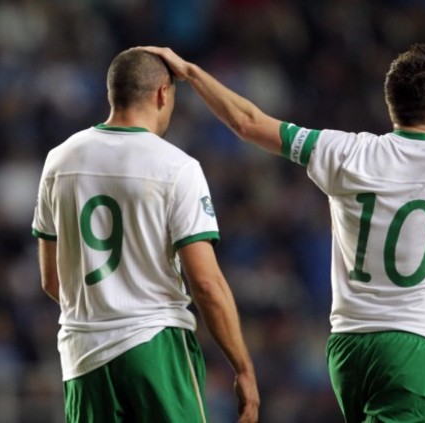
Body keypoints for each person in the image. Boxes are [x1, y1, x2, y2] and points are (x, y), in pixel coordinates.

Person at [140, 44, 425, 422]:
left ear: (391, 105)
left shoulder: (343, 151)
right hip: (417, 346)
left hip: (348, 347)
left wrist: (193, 72)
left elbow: (247, 122)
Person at [31, 48, 259, 423]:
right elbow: (205, 283)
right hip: (155, 347)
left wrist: (104, 308)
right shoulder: (176, 167)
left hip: (82, 355)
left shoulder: (59, 160)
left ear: (111, 94)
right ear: (162, 93)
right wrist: (243, 367)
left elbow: (51, 280)